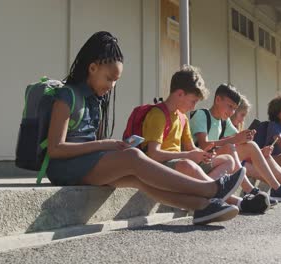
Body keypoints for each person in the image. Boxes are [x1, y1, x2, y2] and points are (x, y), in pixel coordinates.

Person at [46, 31, 244, 225]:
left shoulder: (95, 101)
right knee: (134, 157)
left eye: (116, 81)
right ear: (92, 68)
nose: (112, 85)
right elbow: (55, 149)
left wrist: (109, 147)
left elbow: (91, 145)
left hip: (86, 164)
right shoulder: (67, 96)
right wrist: (104, 144)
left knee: (138, 179)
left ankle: (203, 206)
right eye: (109, 78)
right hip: (65, 168)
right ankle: (211, 189)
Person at [141, 65, 270, 214]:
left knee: (227, 159)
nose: (194, 106)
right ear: (180, 94)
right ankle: (238, 202)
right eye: (193, 101)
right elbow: (153, 154)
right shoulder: (158, 114)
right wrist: (188, 155)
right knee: (188, 164)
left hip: (180, 163)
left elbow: (191, 148)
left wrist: (203, 154)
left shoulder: (182, 117)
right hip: (161, 166)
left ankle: (214, 196)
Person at [190, 84, 281, 201]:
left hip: (221, 159)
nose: (231, 112)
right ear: (218, 100)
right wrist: (236, 139)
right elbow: (205, 145)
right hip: (202, 161)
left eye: (234, 109)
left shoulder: (225, 121)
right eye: (229, 106)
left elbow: (239, 141)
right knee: (231, 146)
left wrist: (249, 142)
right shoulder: (202, 115)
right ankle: (255, 190)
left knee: (252, 146)